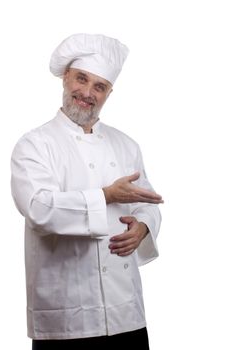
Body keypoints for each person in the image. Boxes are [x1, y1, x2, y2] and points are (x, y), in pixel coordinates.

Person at [11, 33, 163, 350]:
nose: (88, 93)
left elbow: (147, 203)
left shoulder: (126, 144)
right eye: (82, 79)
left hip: (127, 316)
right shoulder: (35, 145)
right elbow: (40, 209)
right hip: (66, 321)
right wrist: (106, 195)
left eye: (100, 86)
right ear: (66, 77)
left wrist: (144, 227)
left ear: (109, 93)